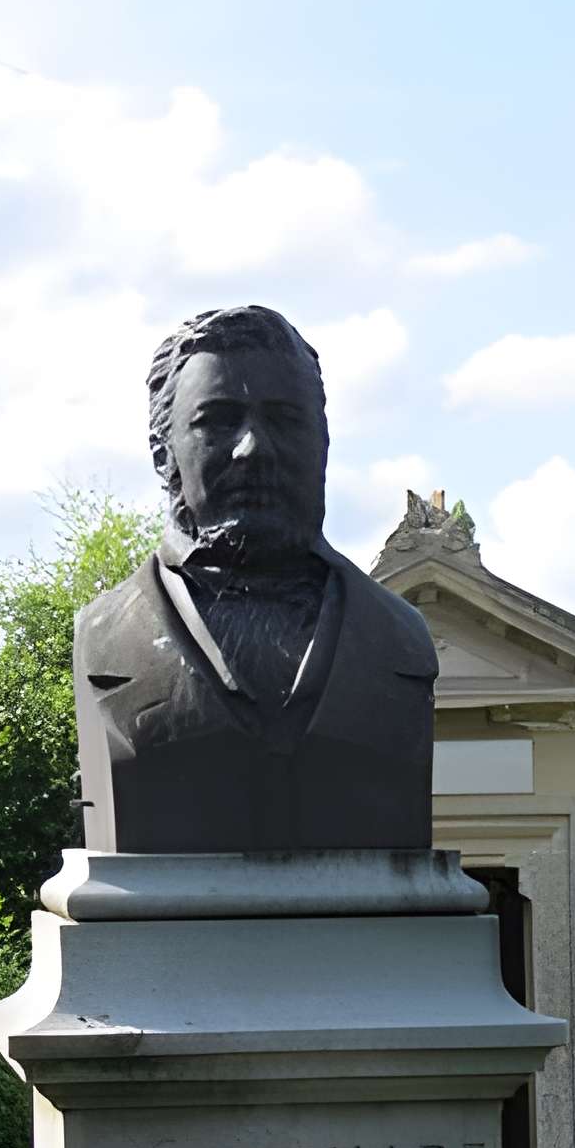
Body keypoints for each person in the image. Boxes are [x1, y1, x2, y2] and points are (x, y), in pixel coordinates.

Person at [72, 302, 438, 853]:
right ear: (162, 454)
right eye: (217, 422)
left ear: (324, 445)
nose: (254, 449)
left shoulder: (400, 640)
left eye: (285, 421)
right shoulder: (105, 637)